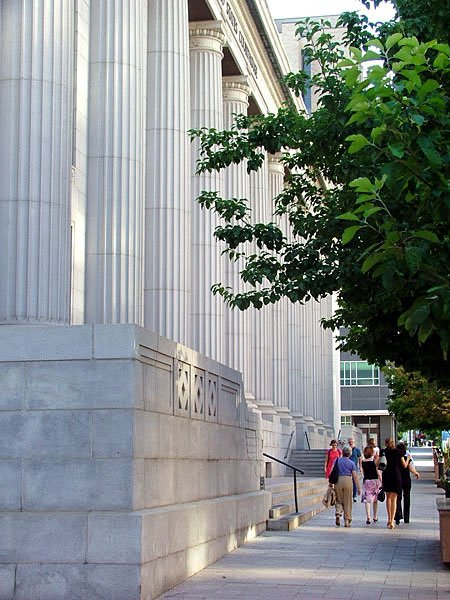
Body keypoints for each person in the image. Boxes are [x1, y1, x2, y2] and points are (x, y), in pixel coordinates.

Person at [380, 438, 407, 529]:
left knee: (388, 498)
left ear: (386, 443)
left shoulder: (383, 452)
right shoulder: (398, 452)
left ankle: (388, 519)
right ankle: (392, 520)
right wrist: (408, 459)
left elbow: (377, 463)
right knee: (394, 499)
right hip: (395, 475)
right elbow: (404, 465)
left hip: (386, 475)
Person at [334, 446, 361, 528]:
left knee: (338, 499)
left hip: (338, 480)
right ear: (350, 454)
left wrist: (331, 483)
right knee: (348, 501)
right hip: (348, 480)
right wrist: (359, 487)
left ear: (342, 452)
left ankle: (338, 513)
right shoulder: (351, 463)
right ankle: (347, 520)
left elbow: (332, 471)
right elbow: (355, 476)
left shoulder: (337, 460)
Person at [394, 441, 420, 525]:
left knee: (398, 498)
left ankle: (397, 517)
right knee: (407, 498)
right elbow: (411, 468)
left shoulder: (396, 458)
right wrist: (416, 473)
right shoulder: (407, 457)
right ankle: (406, 517)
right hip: (406, 480)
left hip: (398, 480)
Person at [361, 445, 381, 524]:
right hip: (375, 481)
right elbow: (377, 471)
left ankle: (368, 517)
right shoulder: (374, 462)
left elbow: (362, 472)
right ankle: (375, 516)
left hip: (367, 481)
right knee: (375, 500)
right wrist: (381, 480)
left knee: (367, 500)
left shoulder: (363, 462)